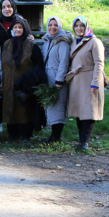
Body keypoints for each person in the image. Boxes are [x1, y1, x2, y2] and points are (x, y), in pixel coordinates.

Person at [65, 16, 106, 151]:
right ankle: (81, 140)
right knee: (79, 110)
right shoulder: (74, 42)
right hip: (77, 81)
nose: (79, 28)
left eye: (81, 25)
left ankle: (85, 142)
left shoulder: (94, 42)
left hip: (90, 79)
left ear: (86, 26)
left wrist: (95, 83)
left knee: (89, 111)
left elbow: (99, 63)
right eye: (76, 26)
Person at [1, 17, 44, 142]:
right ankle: (12, 134)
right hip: (8, 82)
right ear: (12, 29)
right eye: (15, 27)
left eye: (20, 27)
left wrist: (29, 79)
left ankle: (26, 134)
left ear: (24, 29)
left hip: (26, 84)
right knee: (10, 106)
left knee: (24, 108)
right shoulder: (7, 44)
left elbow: (38, 65)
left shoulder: (31, 45)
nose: (18, 29)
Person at [41, 17, 73, 145]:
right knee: (52, 107)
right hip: (48, 77)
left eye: (55, 25)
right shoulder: (48, 40)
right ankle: (53, 136)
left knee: (58, 106)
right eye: (50, 25)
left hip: (57, 79)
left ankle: (56, 136)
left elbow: (64, 62)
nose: (52, 27)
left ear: (59, 26)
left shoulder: (62, 42)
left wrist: (59, 80)